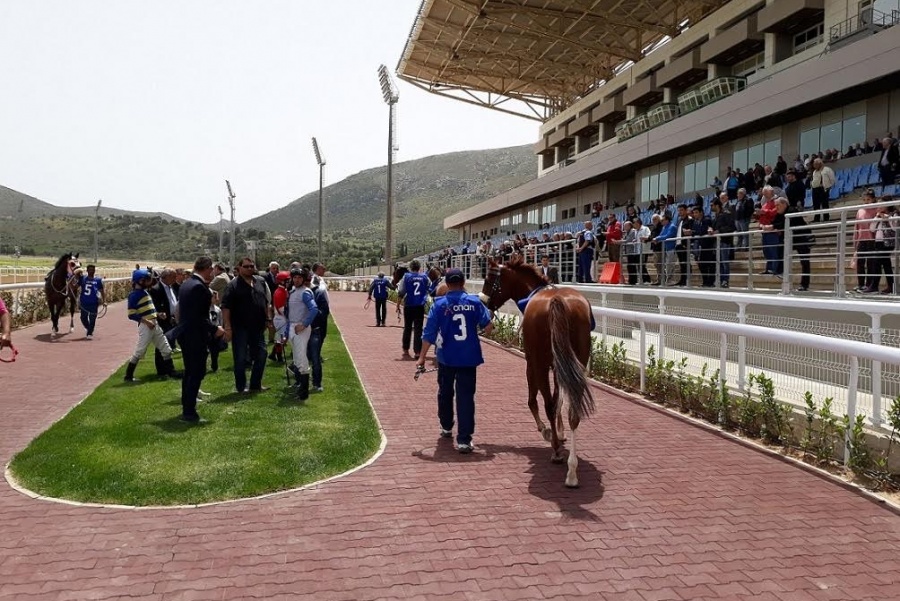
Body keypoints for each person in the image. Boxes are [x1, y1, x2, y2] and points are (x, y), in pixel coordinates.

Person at [416, 268, 493, 454]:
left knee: (445, 392)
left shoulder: (439, 304)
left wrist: (421, 358)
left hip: (446, 357)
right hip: (468, 357)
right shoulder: (475, 302)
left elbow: (429, 334)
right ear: (463, 282)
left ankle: (446, 425)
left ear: (447, 284)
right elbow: (489, 327)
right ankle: (464, 440)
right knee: (466, 397)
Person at [177, 257, 226, 423]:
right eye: (211, 269)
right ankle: (189, 412)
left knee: (189, 372)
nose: (212, 272)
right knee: (196, 373)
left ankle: (187, 407)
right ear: (206, 268)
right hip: (195, 336)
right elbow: (199, 317)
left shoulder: (186, 283)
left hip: (186, 334)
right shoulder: (200, 288)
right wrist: (215, 329)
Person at [221, 257, 271, 394]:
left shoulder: (260, 281)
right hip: (240, 327)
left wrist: (268, 319)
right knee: (241, 358)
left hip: (258, 327)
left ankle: (255, 384)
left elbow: (265, 302)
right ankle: (241, 387)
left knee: (262, 353)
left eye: (251, 266)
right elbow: (226, 307)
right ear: (239, 268)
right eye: (246, 266)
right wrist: (228, 327)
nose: (249, 269)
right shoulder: (233, 285)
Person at [124, 269, 179, 382]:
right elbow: (131, 314)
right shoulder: (134, 295)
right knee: (140, 351)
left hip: (155, 324)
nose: (150, 282)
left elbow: (148, 309)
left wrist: (158, 314)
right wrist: (146, 321)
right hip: (146, 326)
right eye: (147, 279)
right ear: (140, 281)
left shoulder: (145, 292)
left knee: (166, 348)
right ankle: (128, 376)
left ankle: (171, 371)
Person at [286, 268, 319, 400]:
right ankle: (300, 386)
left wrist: (304, 324)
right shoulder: (293, 291)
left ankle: (303, 393)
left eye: (299, 277)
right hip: (292, 326)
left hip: (301, 327)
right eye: (295, 277)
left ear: (303, 279)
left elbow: (314, 309)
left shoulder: (305, 292)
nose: (297, 279)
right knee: (296, 358)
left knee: (301, 358)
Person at [397, 259, 431, 359]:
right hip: (419, 305)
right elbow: (430, 287)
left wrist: (398, 304)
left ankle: (406, 349)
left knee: (407, 327)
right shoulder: (424, 277)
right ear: (419, 267)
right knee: (418, 329)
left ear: (411, 267)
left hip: (409, 304)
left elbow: (401, 291)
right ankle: (417, 351)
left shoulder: (406, 277)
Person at [149, 268, 179, 376]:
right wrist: (160, 314)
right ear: (165, 277)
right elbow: (154, 307)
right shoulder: (156, 290)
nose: (175, 279)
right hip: (163, 322)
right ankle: (162, 371)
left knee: (169, 345)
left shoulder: (173, 287)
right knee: (162, 346)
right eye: (173, 277)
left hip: (173, 320)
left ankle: (169, 369)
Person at [307, 276, 330, 393]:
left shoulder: (318, 293)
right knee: (300, 357)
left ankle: (317, 383)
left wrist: (312, 314)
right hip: (300, 330)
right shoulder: (295, 292)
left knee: (315, 357)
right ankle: (300, 381)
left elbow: (325, 311)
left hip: (314, 329)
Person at [78, 264, 106, 339]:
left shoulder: (98, 280)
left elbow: (101, 290)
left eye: (93, 270)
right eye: (90, 269)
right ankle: (89, 328)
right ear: (87, 270)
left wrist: (104, 301)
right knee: (83, 318)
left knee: (92, 318)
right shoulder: (83, 279)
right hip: (84, 302)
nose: (91, 271)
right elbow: (75, 285)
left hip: (94, 303)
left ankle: (89, 333)